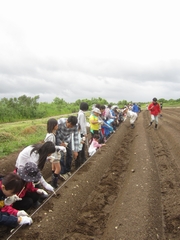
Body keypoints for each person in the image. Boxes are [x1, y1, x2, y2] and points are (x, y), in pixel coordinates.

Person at [44, 118, 66, 188]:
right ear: (53, 125)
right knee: (58, 169)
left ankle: (53, 179)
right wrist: (60, 147)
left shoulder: (51, 134)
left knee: (53, 167)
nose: (57, 125)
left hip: (52, 153)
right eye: (56, 124)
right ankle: (54, 183)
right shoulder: (51, 136)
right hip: (53, 154)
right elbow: (51, 146)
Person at [56, 116, 79, 180]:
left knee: (70, 155)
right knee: (62, 156)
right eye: (70, 125)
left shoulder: (76, 126)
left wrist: (76, 150)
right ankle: (62, 172)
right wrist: (60, 142)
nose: (70, 127)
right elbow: (56, 133)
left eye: (72, 126)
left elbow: (76, 137)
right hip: (60, 140)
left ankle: (67, 170)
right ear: (67, 121)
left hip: (68, 139)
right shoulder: (60, 122)